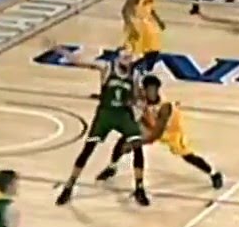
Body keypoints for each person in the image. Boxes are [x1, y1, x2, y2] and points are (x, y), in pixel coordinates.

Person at [55, 47, 148, 206]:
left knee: (137, 146)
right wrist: (60, 51)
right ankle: (69, 185)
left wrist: (138, 105)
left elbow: (137, 97)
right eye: (124, 57)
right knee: (88, 149)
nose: (127, 60)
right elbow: (79, 61)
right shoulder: (107, 67)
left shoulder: (135, 75)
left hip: (123, 114)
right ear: (118, 58)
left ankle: (139, 188)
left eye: (130, 58)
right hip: (105, 114)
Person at [96, 74, 225, 188]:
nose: (151, 92)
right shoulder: (140, 95)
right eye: (149, 89)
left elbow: (155, 135)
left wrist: (136, 143)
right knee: (124, 138)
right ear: (144, 90)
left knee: (187, 156)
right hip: (150, 124)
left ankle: (213, 173)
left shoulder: (165, 107)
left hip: (171, 130)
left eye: (154, 89)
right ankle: (112, 167)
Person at [122, 0, 166, 72]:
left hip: (147, 24)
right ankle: (130, 72)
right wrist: (131, 27)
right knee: (135, 54)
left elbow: (150, 8)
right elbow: (124, 10)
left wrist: (158, 20)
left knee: (154, 50)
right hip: (136, 24)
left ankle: (144, 71)